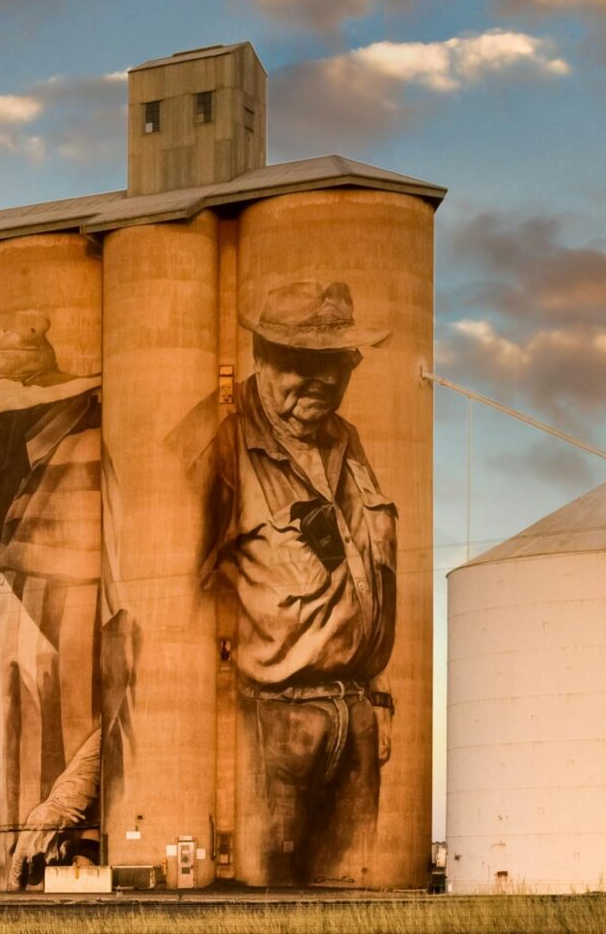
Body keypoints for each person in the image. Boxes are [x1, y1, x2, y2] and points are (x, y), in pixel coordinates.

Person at [199, 280, 397, 886]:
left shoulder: (348, 441)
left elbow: (373, 582)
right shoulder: (220, 446)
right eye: (298, 362)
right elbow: (172, 596)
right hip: (272, 724)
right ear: (260, 357)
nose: (319, 380)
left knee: (353, 908)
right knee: (263, 904)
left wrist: (379, 698)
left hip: (357, 718)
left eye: (333, 363)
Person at [0, 313, 103, 890]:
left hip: (66, 808)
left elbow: (138, 680)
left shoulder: (93, 460)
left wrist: (65, 804)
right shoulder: (5, 474)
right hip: (16, 809)